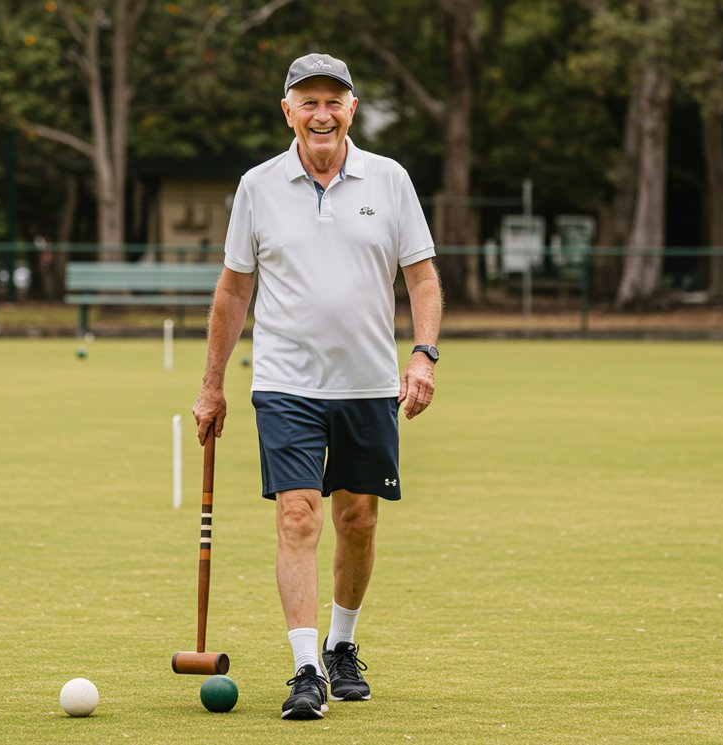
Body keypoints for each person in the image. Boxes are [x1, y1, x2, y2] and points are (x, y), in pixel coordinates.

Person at [191, 52, 443, 721]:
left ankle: (341, 644)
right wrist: (212, 385)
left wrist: (422, 355)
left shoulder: (388, 180)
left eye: (334, 101)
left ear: (352, 108)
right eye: (309, 101)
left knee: (357, 520)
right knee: (297, 513)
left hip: (367, 384)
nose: (322, 113)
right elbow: (233, 290)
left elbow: (421, 277)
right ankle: (306, 668)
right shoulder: (258, 186)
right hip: (285, 384)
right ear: (289, 111)